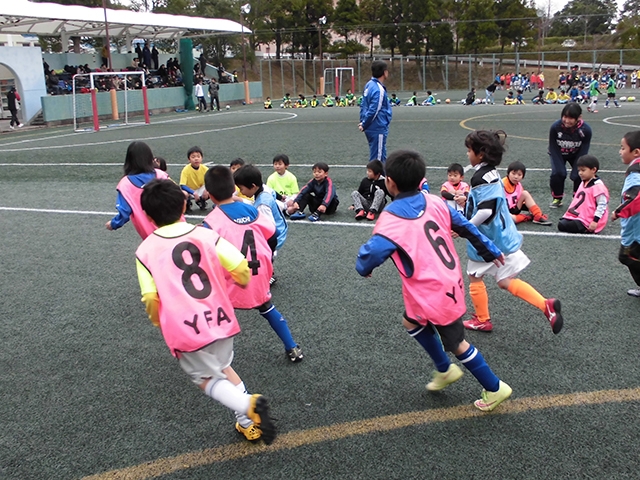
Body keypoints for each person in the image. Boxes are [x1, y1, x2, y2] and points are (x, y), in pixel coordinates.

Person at [356, 149, 512, 412]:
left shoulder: (391, 218)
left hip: (433, 290)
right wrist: (488, 247)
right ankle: (444, 369)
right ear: (422, 180)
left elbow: (372, 253)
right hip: (442, 282)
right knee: (411, 320)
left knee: (458, 344)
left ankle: (495, 387)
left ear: (389, 182)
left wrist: (364, 267)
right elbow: (466, 226)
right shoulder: (436, 201)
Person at [135, 179, 276, 444]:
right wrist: (238, 282)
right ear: (185, 204)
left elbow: (150, 297)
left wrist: (158, 321)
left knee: (206, 379)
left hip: (186, 328)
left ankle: (249, 406)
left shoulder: (145, 251)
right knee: (222, 367)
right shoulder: (205, 234)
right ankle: (247, 422)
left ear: (148, 216)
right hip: (221, 319)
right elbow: (239, 266)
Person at [462, 130, 564, 334]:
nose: (467, 154)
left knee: (474, 275)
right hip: (501, 234)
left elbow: (486, 210)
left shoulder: (480, 177)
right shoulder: (492, 172)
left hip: (488, 238)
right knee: (504, 280)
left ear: (480, 154)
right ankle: (546, 305)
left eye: (469, 150)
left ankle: (482, 319)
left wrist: (466, 226)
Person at [203, 166, 303, 362]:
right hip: (258, 274)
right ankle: (293, 348)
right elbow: (272, 235)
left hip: (231, 278)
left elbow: (207, 253)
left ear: (210, 195)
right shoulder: (250, 209)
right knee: (267, 307)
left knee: (215, 308)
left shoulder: (212, 220)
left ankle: (209, 353)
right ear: (234, 188)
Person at [105, 141, 171, 239]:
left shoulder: (125, 184)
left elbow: (124, 212)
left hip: (152, 236)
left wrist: (113, 224)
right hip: (177, 228)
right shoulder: (161, 175)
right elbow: (177, 198)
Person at [612, 130, 640, 297]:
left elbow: (636, 195)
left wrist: (619, 211)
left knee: (626, 255)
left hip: (636, 229)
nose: (620, 152)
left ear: (636, 152)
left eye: (623, 148)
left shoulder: (635, 171)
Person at [548, 103, 592, 208]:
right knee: (558, 173)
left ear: (579, 117)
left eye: (571, 118)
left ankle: (576, 198)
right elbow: (553, 147)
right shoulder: (555, 127)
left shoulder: (586, 130)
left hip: (576, 154)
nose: (567, 121)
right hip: (558, 153)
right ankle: (557, 198)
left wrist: (577, 168)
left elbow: (584, 150)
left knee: (579, 174)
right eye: (565, 117)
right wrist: (560, 168)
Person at [558, 155, 609, 234]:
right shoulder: (583, 182)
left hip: (589, 219)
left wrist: (595, 221)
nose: (580, 173)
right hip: (579, 216)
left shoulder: (598, 187)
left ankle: (587, 228)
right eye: (579, 170)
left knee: (571, 226)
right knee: (561, 225)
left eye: (583, 170)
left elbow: (602, 206)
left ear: (593, 170)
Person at [359, 60, 392, 162]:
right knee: (377, 157)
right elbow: (374, 110)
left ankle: (384, 175)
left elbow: (363, 105)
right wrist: (364, 124)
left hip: (371, 125)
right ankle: (376, 177)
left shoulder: (369, 85)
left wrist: (363, 121)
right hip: (377, 126)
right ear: (385, 72)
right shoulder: (378, 89)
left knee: (381, 154)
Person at [502, 161, 552, 226]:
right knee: (511, 219)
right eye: (513, 173)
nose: (516, 177)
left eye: (519, 175)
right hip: (504, 211)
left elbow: (521, 200)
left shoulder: (518, 185)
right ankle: (527, 217)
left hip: (514, 208)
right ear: (508, 173)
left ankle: (537, 216)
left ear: (523, 177)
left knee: (525, 193)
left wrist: (532, 209)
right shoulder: (502, 184)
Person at [180, 146, 210, 211]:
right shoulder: (186, 169)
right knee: (183, 193)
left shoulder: (205, 169)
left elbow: (211, 181)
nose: (196, 159)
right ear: (189, 159)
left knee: (212, 189)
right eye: (193, 157)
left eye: (198, 156)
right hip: (190, 190)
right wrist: (193, 193)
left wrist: (206, 190)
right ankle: (187, 204)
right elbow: (182, 185)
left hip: (200, 188)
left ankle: (202, 201)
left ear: (202, 158)